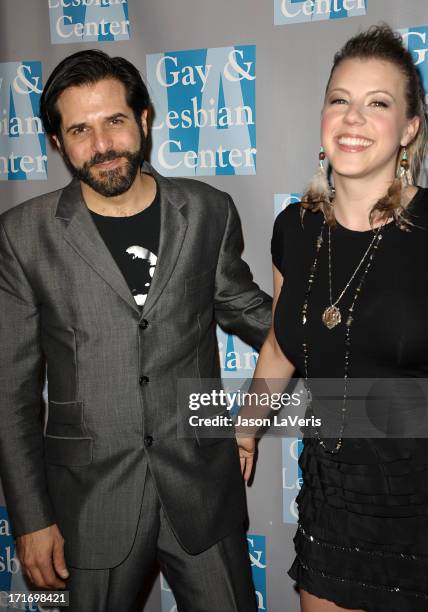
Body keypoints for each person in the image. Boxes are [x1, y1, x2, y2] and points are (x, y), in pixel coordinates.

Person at [0, 49, 272, 612]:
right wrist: (31, 519)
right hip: (90, 502)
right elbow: (12, 392)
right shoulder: (23, 236)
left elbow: (251, 312)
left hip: (202, 490)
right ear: (56, 143)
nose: (101, 145)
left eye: (114, 121)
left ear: (144, 120)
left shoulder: (207, 211)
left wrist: (348, 323)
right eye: (79, 130)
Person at [237, 24, 428, 611]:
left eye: (378, 104)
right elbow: (281, 344)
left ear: (409, 129)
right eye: (340, 100)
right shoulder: (294, 229)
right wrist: (244, 427)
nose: (353, 118)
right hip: (332, 500)